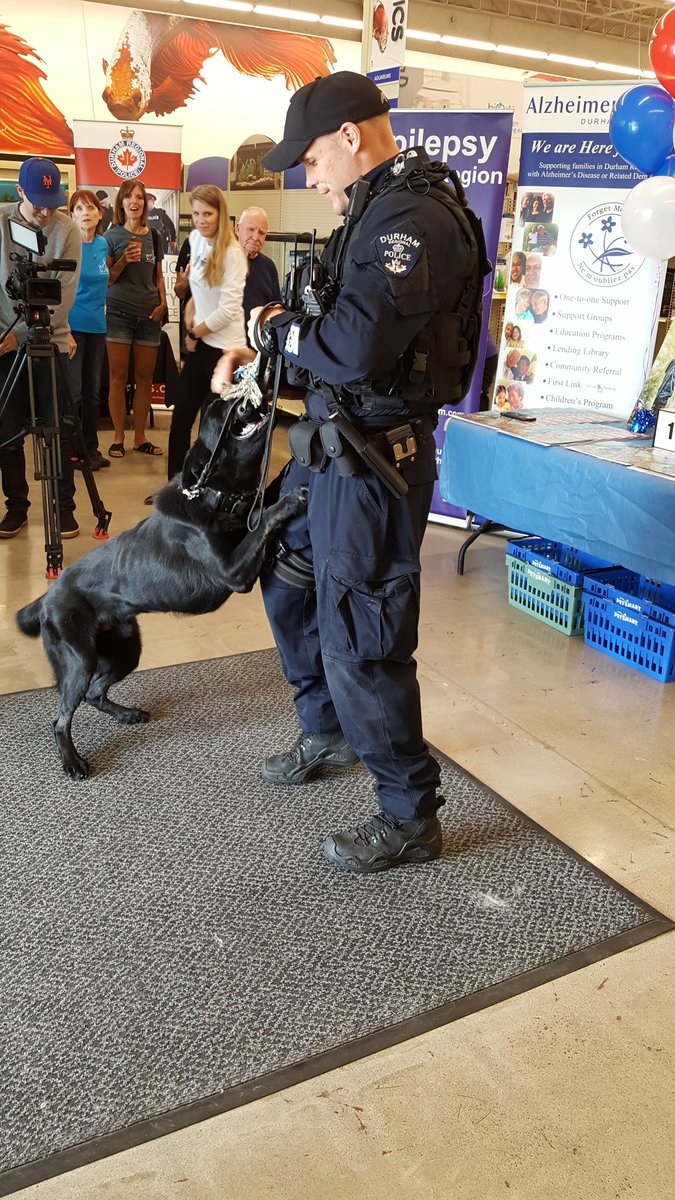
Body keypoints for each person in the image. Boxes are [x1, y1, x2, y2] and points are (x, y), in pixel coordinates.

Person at [212, 70, 486, 874]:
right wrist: (261, 354)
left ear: (349, 138)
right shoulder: (370, 210)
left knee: (364, 634)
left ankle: (408, 814)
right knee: (283, 568)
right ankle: (326, 726)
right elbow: (329, 345)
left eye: (311, 160)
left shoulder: (412, 220)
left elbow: (349, 347)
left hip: (374, 467)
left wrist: (271, 330)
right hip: (329, 448)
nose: (309, 176)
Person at [0, 157, 82, 538]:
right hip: (3, 344)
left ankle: (64, 506)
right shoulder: (1, 223)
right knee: (7, 428)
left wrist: (26, 333)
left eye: (53, 203)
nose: (47, 212)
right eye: (38, 205)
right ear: (19, 193)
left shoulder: (68, 230)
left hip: (51, 340)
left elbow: (63, 295)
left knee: (59, 428)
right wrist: (8, 337)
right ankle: (16, 506)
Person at [166, 185, 246, 480]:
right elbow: (197, 288)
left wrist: (194, 331)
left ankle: (204, 490)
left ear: (220, 213)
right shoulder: (196, 240)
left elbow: (227, 310)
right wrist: (191, 311)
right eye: (196, 213)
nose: (201, 220)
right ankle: (174, 488)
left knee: (212, 430)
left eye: (208, 214)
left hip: (226, 351)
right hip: (200, 344)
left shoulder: (233, 254)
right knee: (181, 419)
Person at [104, 179, 167, 458]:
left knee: (145, 379)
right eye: (129, 197)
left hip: (149, 315)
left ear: (145, 202)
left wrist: (163, 303)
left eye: (139, 197)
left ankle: (140, 437)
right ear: (121, 203)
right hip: (118, 313)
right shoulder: (111, 236)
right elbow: (107, 279)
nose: (135, 201)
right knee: (118, 378)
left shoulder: (154, 235)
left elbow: (159, 275)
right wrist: (123, 260)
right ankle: (118, 437)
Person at [66, 189, 110, 471]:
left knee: (93, 392)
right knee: (75, 393)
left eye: (90, 208)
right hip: (72, 328)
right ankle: (72, 451)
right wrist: (64, 329)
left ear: (100, 213)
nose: (86, 213)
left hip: (98, 327)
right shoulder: (68, 244)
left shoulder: (104, 244)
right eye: (79, 208)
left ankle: (90, 448)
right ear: (71, 215)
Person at [235, 207, 281, 325]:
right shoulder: (220, 261)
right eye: (251, 229)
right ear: (238, 229)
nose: (256, 237)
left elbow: (276, 309)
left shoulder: (269, 267)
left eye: (261, 233)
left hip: (256, 341)